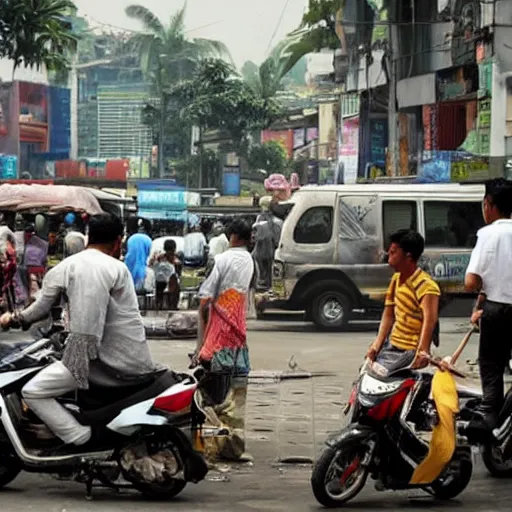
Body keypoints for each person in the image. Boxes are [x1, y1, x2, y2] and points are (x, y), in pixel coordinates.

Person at [0, 213, 156, 452]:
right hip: (134, 357)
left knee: (33, 391)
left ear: (86, 239)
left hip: (103, 362)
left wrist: (11, 319)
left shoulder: (63, 268)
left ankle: (80, 438)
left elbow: (44, 311)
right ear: (117, 242)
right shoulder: (118, 268)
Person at [193, 219, 255, 461]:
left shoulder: (221, 260)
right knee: (237, 394)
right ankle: (232, 446)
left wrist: (199, 346)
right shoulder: (249, 261)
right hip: (239, 338)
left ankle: (209, 442)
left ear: (231, 236)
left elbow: (204, 303)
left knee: (210, 394)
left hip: (217, 341)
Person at [465, 178, 512, 429]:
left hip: (496, 311)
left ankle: (490, 417)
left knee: (492, 367)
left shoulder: (487, 234)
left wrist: (485, 289)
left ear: (488, 204)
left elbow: (471, 282)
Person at [366, 229, 440, 374]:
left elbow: (429, 320)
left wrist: (422, 351)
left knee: (382, 373)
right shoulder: (396, 279)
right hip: (392, 345)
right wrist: (376, 346)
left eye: (393, 252)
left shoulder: (427, 286)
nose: (389, 256)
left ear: (408, 256)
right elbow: (388, 315)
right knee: (367, 370)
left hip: (410, 350)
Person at [152, 239, 181, 310]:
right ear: (174, 249)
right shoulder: (176, 261)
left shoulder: (159, 258)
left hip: (160, 283)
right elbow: (178, 274)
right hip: (168, 284)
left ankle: (160, 304)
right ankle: (172, 305)